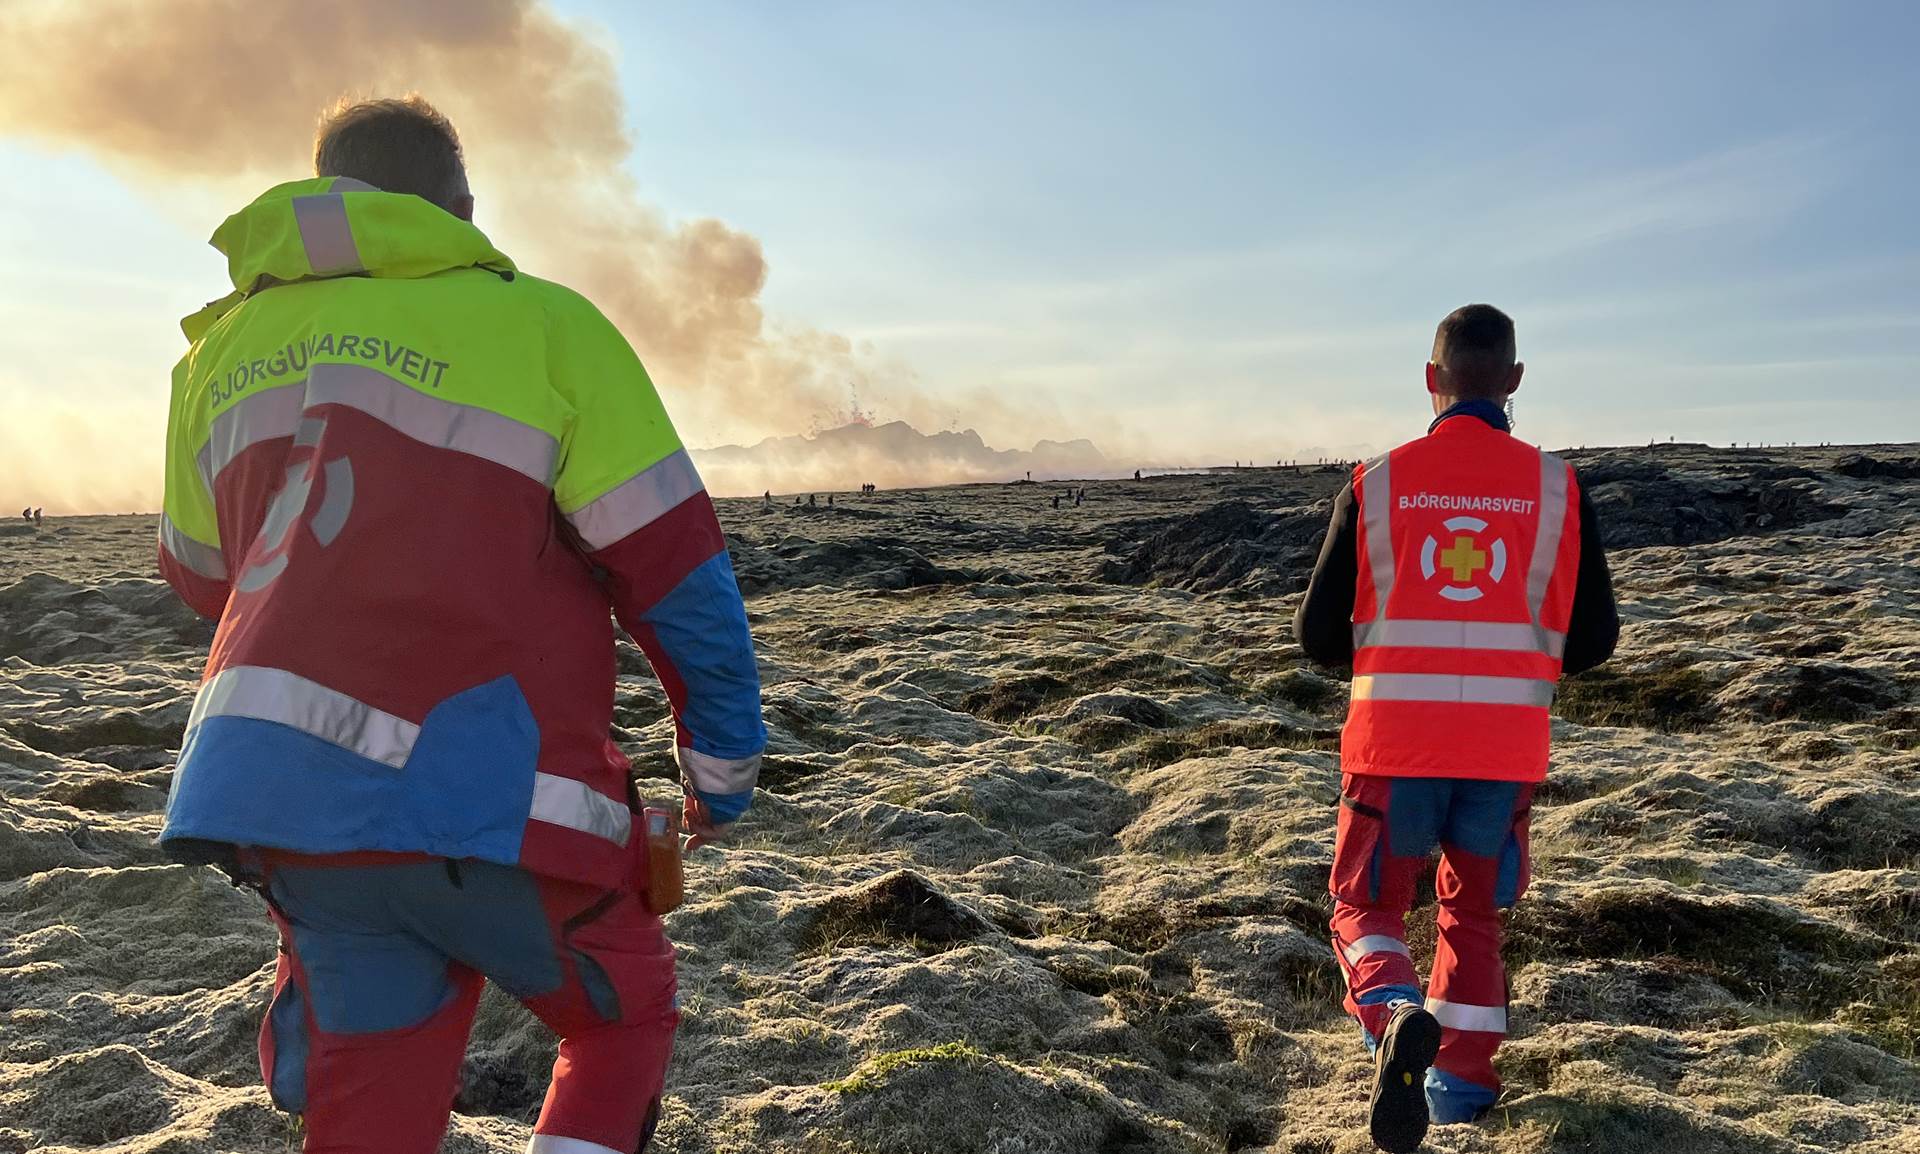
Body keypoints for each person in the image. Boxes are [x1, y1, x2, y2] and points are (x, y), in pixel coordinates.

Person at [154, 95, 765, 1154]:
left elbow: (203, 575)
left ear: (322, 191)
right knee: (625, 1017)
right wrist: (720, 767)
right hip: (499, 793)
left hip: (292, 809)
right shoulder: (544, 323)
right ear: (463, 208)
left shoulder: (215, 356)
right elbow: (674, 568)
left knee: (370, 1102)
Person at [1293, 304, 1617, 1152]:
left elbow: (1318, 639)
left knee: (1364, 907)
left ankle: (1395, 1011)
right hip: (1503, 753)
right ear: (1512, 381)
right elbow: (1594, 643)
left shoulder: (1377, 483)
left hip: (1394, 751)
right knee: (1472, 915)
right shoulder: (1559, 489)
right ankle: (1459, 1093)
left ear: (1432, 381)